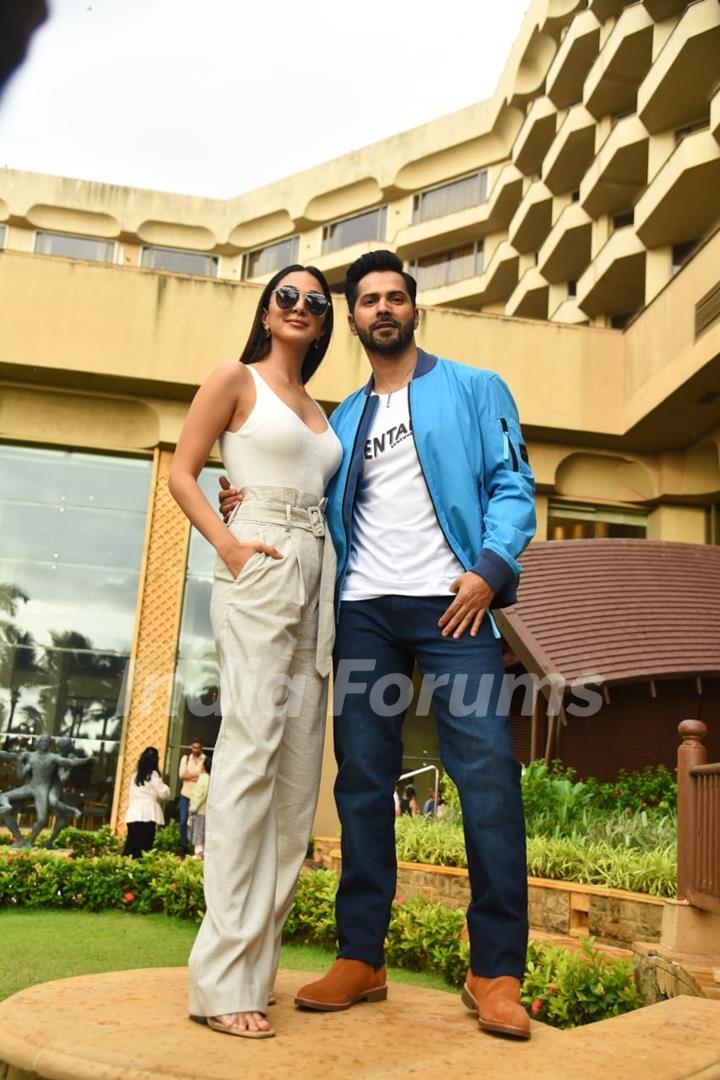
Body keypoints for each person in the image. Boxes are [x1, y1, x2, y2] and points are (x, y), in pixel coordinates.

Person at [270, 249, 534, 1039]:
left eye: (395, 298)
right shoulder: (340, 417)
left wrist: (490, 569)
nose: (382, 308)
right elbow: (309, 496)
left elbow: (512, 485)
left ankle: (496, 972)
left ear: (415, 310)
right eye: (368, 300)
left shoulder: (476, 389)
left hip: (455, 605)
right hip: (363, 613)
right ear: (350, 319)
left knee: (486, 776)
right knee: (360, 782)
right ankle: (363, 956)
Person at [169, 264, 341, 1039]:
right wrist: (232, 545)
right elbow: (182, 471)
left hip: (319, 569)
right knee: (247, 760)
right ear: (267, 310)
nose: (301, 307)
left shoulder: (320, 407)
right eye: (288, 296)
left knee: (299, 778)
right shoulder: (235, 378)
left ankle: (254, 969)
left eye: (315, 300)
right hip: (262, 563)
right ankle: (220, 979)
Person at [122, 746, 170, 858]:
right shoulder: (153, 775)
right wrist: (167, 787)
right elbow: (163, 793)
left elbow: (131, 795)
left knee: (131, 847)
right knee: (144, 849)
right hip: (148, 814)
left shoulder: (135, 775)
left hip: (134, 813)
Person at [177, 740, 205, 856]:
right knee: (183, 820)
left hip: (198, 796)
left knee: (196, 822)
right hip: (185, 794)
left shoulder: (204, 759)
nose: (196, 749)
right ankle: (183, 845)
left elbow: (203, 776)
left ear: (201, 748)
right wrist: (195, 776)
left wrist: (188, 776)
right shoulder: (186, 758)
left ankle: (196, 848)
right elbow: (181, 775)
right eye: (194, 747)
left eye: (198, 747)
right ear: (191, 747)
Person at [188, 751, 212, 860]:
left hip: (200, 810)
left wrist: (193, 807)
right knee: (205, 832)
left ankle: (198, 854)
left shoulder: (203, 778)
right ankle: (204, 853)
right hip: (208, 810)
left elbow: (199, 794)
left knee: (198, 831)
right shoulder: (213, 778)